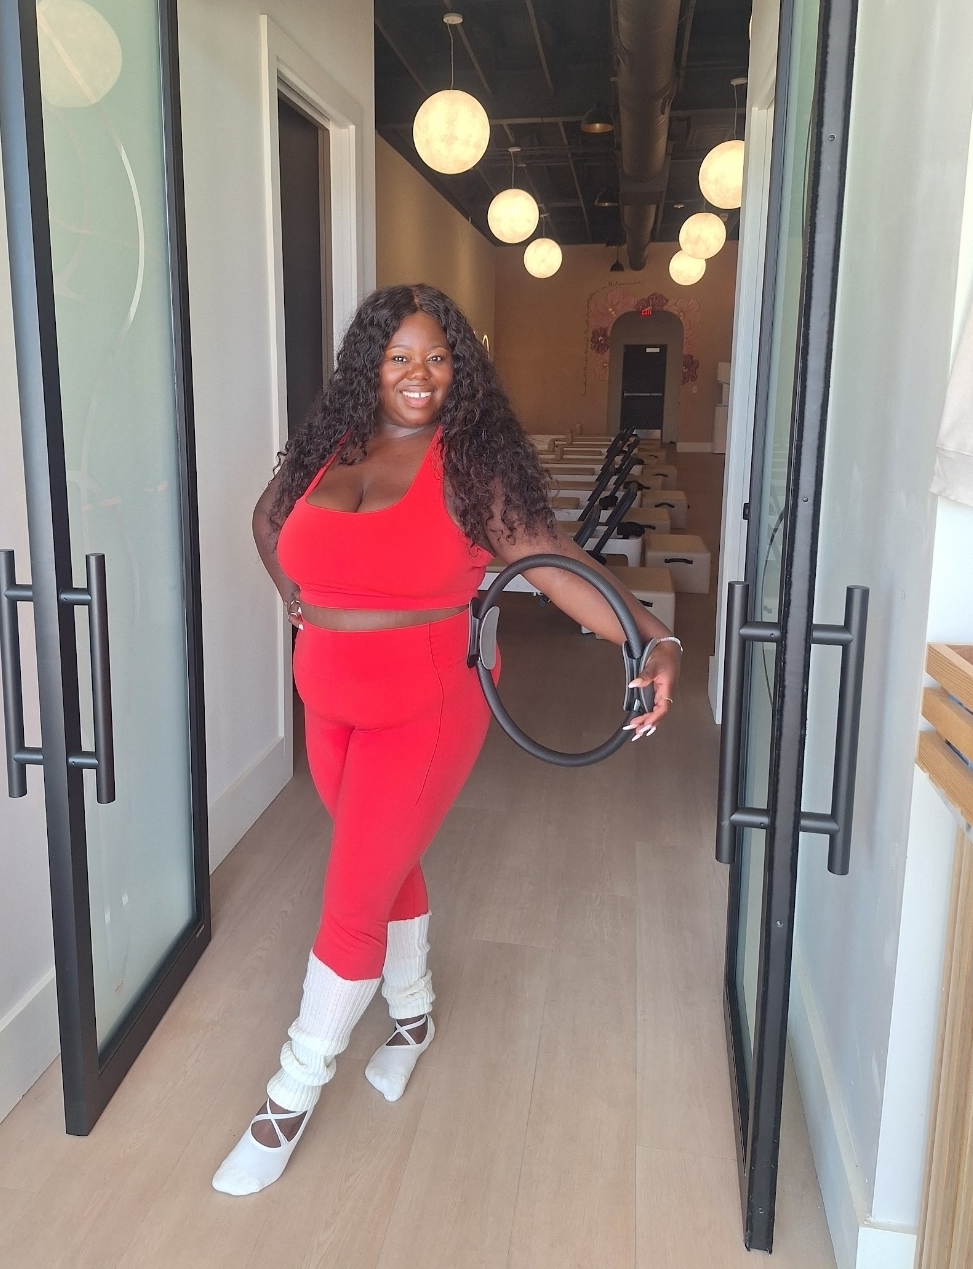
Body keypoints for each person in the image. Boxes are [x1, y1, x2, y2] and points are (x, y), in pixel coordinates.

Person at [212, 284, 680, 1195]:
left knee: (350, 895)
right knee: (380, 860)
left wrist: (647, 634)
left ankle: (286, 1099)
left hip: (425, 702)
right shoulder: (329, 450)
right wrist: (300, 609)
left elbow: (553, 563)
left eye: (436, 357)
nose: (419, 375)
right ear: (369, 368)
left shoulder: (470, 469)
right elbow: (267, 523)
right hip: (329, 701)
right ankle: (414, 1017)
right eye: (399, 358)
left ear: (457, 369)